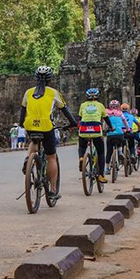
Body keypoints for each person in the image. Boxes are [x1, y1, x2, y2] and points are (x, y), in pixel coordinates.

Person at [20, 66, 77, 201]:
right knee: (51, 157)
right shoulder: (53, 93)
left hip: (30, 125)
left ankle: (29, 159)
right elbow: (65, 110)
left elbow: (22, 112)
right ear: (50, 79)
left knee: (33, 141)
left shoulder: (28, 92)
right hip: (46, 126)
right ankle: (52, 190)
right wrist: (73, 123)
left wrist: (22, 124)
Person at [78, 88, 113, 183]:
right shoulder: (100, 106)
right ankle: (101, 175)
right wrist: (111, 127)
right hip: (96, 129)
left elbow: (80, 118)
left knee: (82, 145)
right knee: (101, 152)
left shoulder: (83, 105)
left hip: (84, 129)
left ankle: (81, 157)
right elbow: (106, 119)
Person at [105, 100, 129, 176]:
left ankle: (107, 168)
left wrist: (104, 130)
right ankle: (120, 151)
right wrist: (127, 129)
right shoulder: (120, 113)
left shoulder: (107, 113)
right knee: (120, 141)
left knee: (109, 151)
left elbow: (105, 124)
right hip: (119, 133)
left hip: (110, 134)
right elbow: (125, 121)